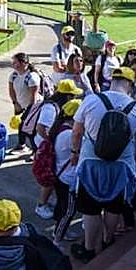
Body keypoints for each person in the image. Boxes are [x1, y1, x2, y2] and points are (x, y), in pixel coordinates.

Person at [69, 66, 136, 260]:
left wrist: (75, 152)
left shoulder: (91, 100)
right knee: (114, 207)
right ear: (130, 85)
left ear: (112, 81)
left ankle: (88, 249)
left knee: (91, 209)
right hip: (121, 167)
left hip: (91, 163)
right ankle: (108, 240)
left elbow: (77, 132)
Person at [33, 79, 85, 219]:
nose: (75, 97)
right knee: (49, 178)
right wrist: (50, 141)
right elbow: (40, 128)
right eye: (73, 95)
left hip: (53, 143)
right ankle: (41, 205)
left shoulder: (61, 108)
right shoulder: (51, 108)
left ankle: (55, 202)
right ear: (67, 96)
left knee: (54, 177)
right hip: (47, 145)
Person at [52, 98, 81, 240]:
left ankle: (59, 228)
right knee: (69, 211)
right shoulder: (70, 135)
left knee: (61, 204)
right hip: (68, 179)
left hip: (59, 174)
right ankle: (58, 237)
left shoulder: (60, 127)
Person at [8, 52, 42, 154]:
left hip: (33, 107)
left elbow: (34, 97)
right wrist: (15, 103)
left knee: (31, 130)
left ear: (23, 63)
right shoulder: (13, 75)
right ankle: (21, 145)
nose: (13, 65)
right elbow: (11, 90)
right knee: (21, 126)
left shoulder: (32, 77)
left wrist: (29, 112)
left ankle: (35, 151)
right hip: (19, 105)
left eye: (15, 62)